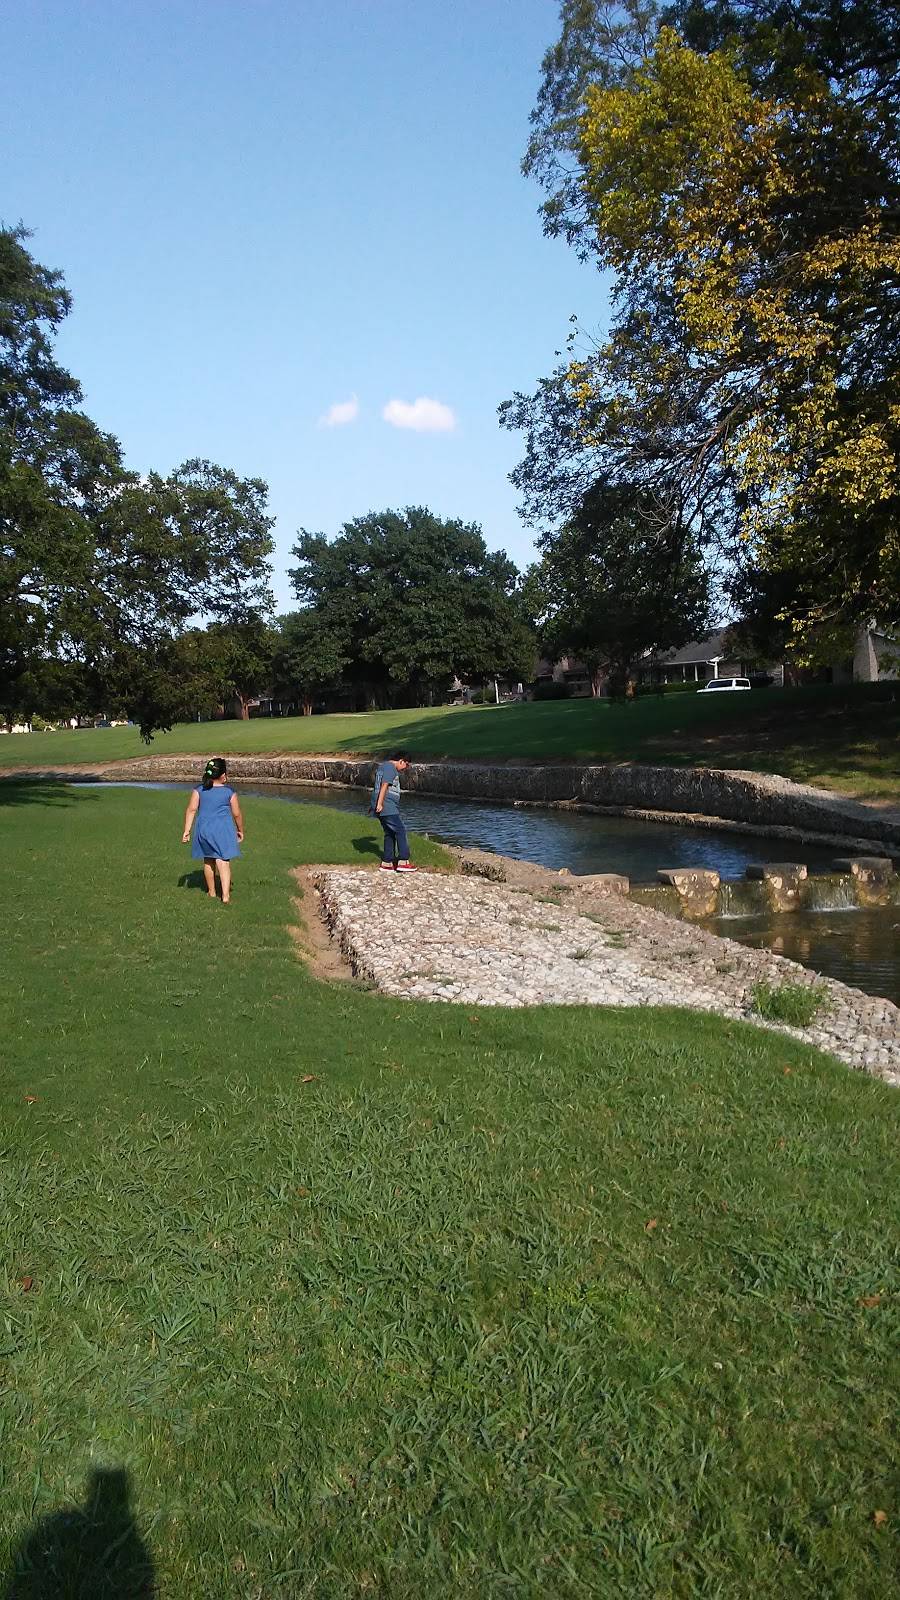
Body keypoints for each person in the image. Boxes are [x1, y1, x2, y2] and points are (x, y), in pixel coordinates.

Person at [182, 757, 244, 902]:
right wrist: (240, 829)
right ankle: (225, 895)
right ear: (223, 775)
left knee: (209, 860)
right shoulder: (229, 792)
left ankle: (211, 892)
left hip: (204, 830)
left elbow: (191, 810)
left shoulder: (199, 790)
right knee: (223, 862)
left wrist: (187, 830)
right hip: (223, 831)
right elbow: (236, 814)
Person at [370, 749, 416, 873]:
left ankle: (387, 862)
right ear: (401, 761)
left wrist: (374, 804)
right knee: (400, 830)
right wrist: (380, 803)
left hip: (383, 805)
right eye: (406, 764)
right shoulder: (391, 768)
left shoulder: (383, 766)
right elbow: (384, 785)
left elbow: (377, 787)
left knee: (389, 832)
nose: (406, 768)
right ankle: (403, 861)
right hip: (387, 805)